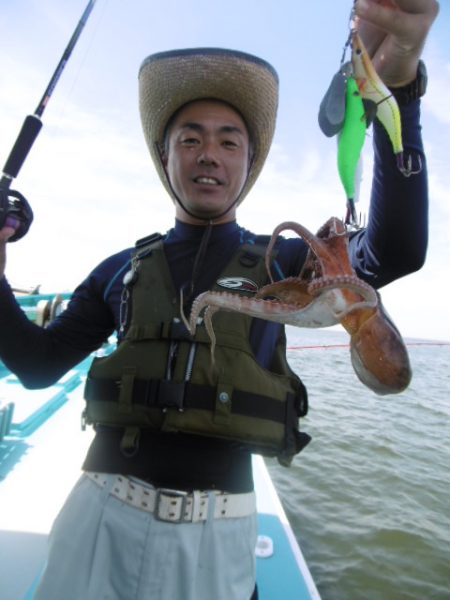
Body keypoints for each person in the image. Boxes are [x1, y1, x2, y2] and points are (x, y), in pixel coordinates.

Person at [0, 1, 439, 598]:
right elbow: (34, 363)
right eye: (191, 138)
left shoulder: (283, 263)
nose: (210, 153)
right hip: (97, 522)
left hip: (217, 539)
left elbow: (396, 249)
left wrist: (398, 91)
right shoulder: (120, 271)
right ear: (166, 156)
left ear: (249, 162)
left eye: (230, 141)